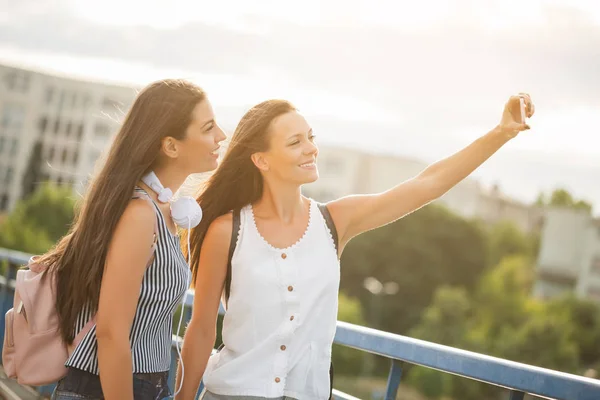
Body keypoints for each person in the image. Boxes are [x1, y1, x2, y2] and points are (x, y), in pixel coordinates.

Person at [176, 93, 535, 400]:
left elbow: (429, 183)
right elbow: (203, 327)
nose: (311, 148)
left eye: (310, 137)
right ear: (261, 159)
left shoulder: (336, 220)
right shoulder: (227, 230)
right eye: (295, 142)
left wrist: (501, 132)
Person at [38, 79, 226, 399]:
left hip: (143, 385)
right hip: (107, 387)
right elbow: (111, 333)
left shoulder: (165, 211)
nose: (221, 135)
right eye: (208, 127)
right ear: (171, 146)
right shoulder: (140, 215)